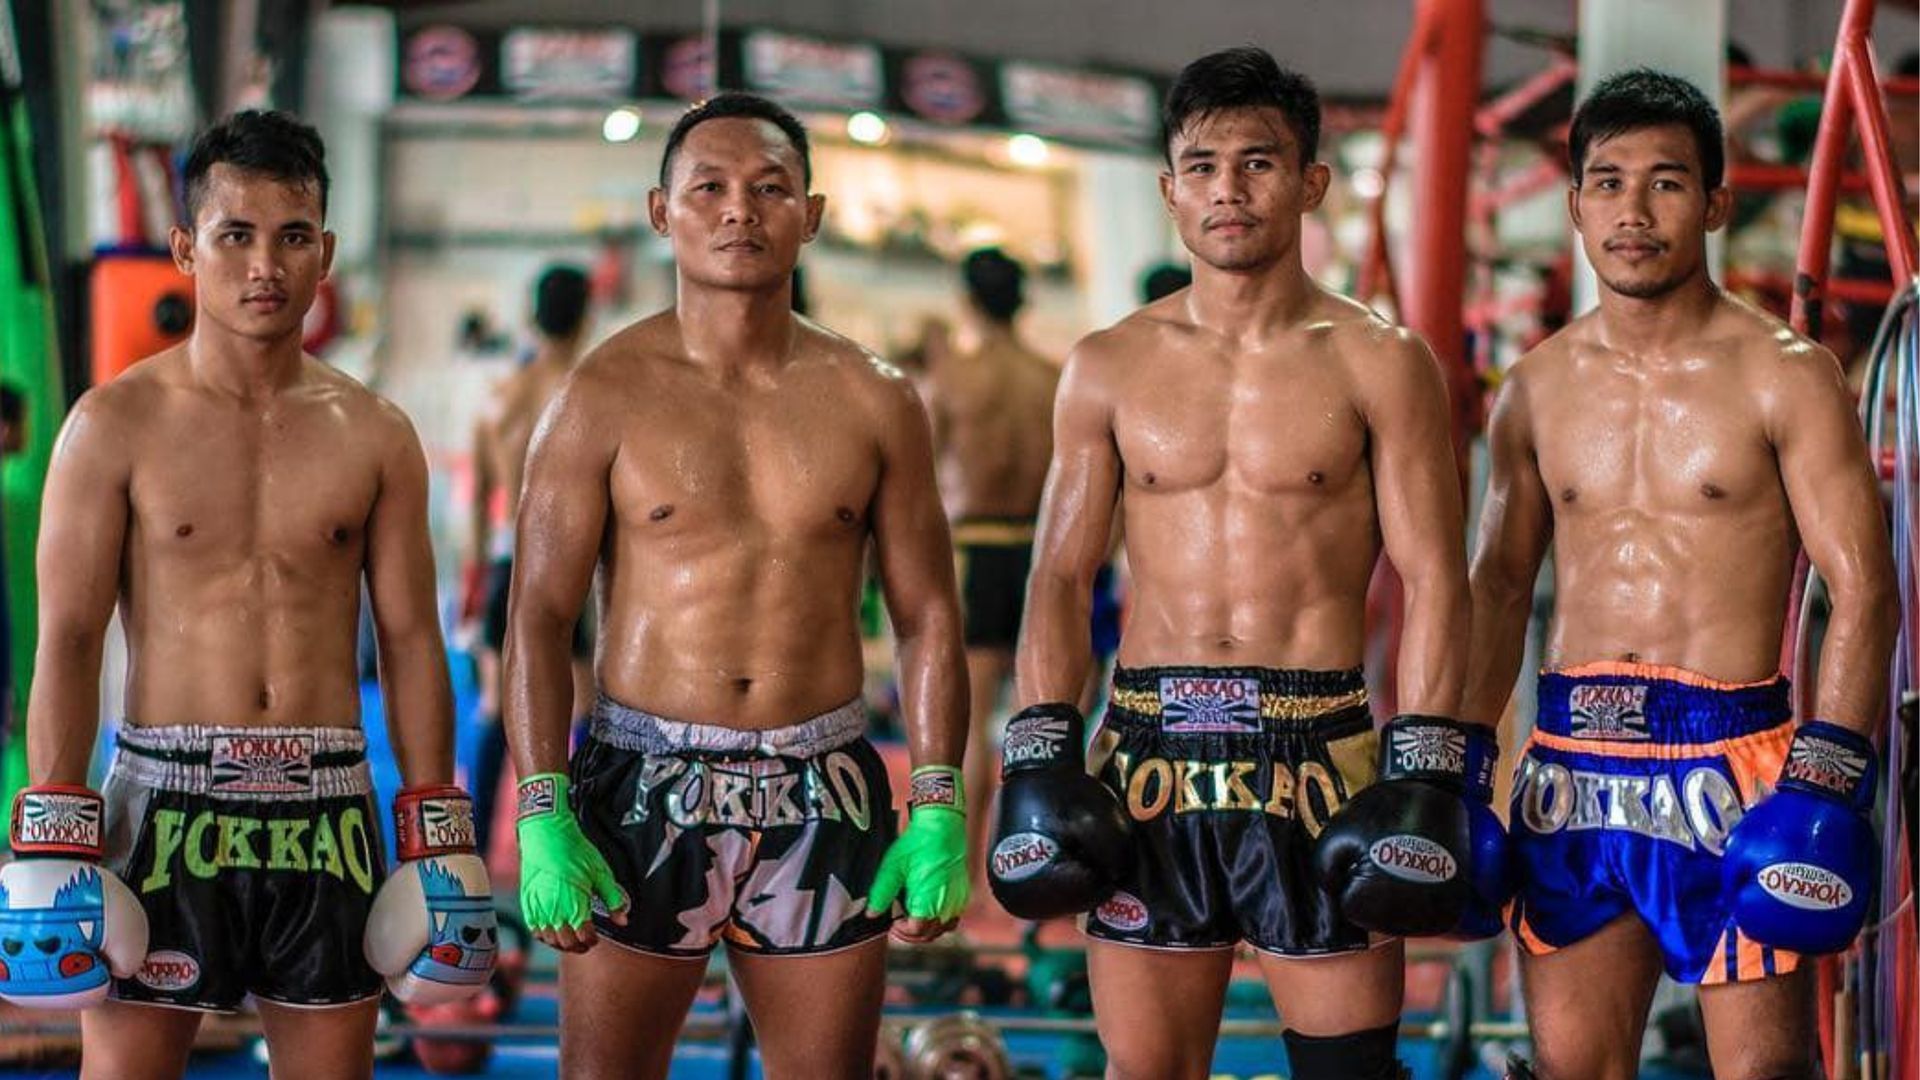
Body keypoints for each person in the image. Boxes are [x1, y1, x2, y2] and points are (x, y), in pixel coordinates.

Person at [996, 47, 1486, 1080]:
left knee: (1350, 1073)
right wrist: (1040, 752)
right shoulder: (1108, 364)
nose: (1229, 188)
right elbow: (1057, 574)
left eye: (1257, 162)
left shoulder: (1379, 360)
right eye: (1203, 165)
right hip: (1146, 756)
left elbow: (1437, 574)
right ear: (1171, 190)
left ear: (1309, 181)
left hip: (1319, 750)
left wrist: (1430, 768)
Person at [8, 110, 491, 1079]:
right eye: (236, 236)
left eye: (292, 237)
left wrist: (443, 835)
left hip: (329, 815)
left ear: (327, 253)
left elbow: (406, 639)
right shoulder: (112, 425)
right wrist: (52, 828)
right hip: (161, 808)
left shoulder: (376, 434)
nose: (264, 265)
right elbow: (66, 635)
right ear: (187, 248)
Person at [502, 93, 970, 1078]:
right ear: (660, 212)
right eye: (707, 187)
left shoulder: (876, 398)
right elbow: (539, 619)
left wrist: (936, 801)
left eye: (770, 188)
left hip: (825, 782)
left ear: (814, 212)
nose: (739, 210)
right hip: (641, 784)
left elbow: (928, 616)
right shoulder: (601, 394)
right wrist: (541, 807)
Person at [1465, 70, 1895, 1080]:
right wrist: (1452, 755)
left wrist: (1828, 774)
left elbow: (1864, 586)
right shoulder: (1534, 388)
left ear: (1713, 203)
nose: (1633, 210)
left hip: (1735, 766)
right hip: (1571, 764)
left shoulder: (1786, 375)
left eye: (1665, 183)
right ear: (1574, 207)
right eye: (1607, 183)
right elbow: (1496, 587)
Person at [922, 247, 1059, 895]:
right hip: (1040, 554)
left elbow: (917, 485)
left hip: (974, 549)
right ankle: (1045, 863)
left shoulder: (952, 380)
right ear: (1025, 301)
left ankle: (970, 878)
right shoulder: (1053, 378)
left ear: (966, 302)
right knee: (1047, 721)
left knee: (971, 723)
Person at [465, 263, 593, 859]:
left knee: (496, 703)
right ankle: (589, 842)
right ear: (587, 314)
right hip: (571, 562)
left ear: (530, 313)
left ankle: (474, 851)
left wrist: (474, 581)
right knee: (585, 706)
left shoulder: (501, 400)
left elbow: (478, 506)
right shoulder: (586, 391)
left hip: (505, 559)